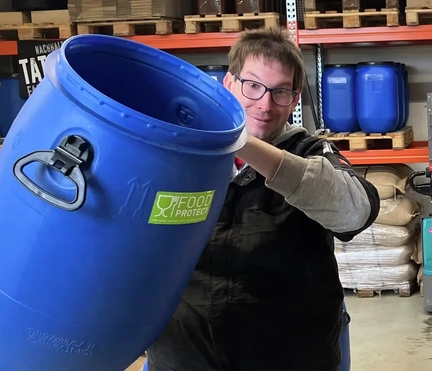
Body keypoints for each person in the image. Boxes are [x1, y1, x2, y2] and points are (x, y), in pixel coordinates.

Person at [146, 28, 380, 371]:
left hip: (289, 353)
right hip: (185, 352)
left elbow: (355, 213)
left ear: (295, 99)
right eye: (253, 85)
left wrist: (239, 142)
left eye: (281, 92)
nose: (265, 104)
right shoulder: (182, 158)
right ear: (228, 84)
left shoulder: (311, 152)